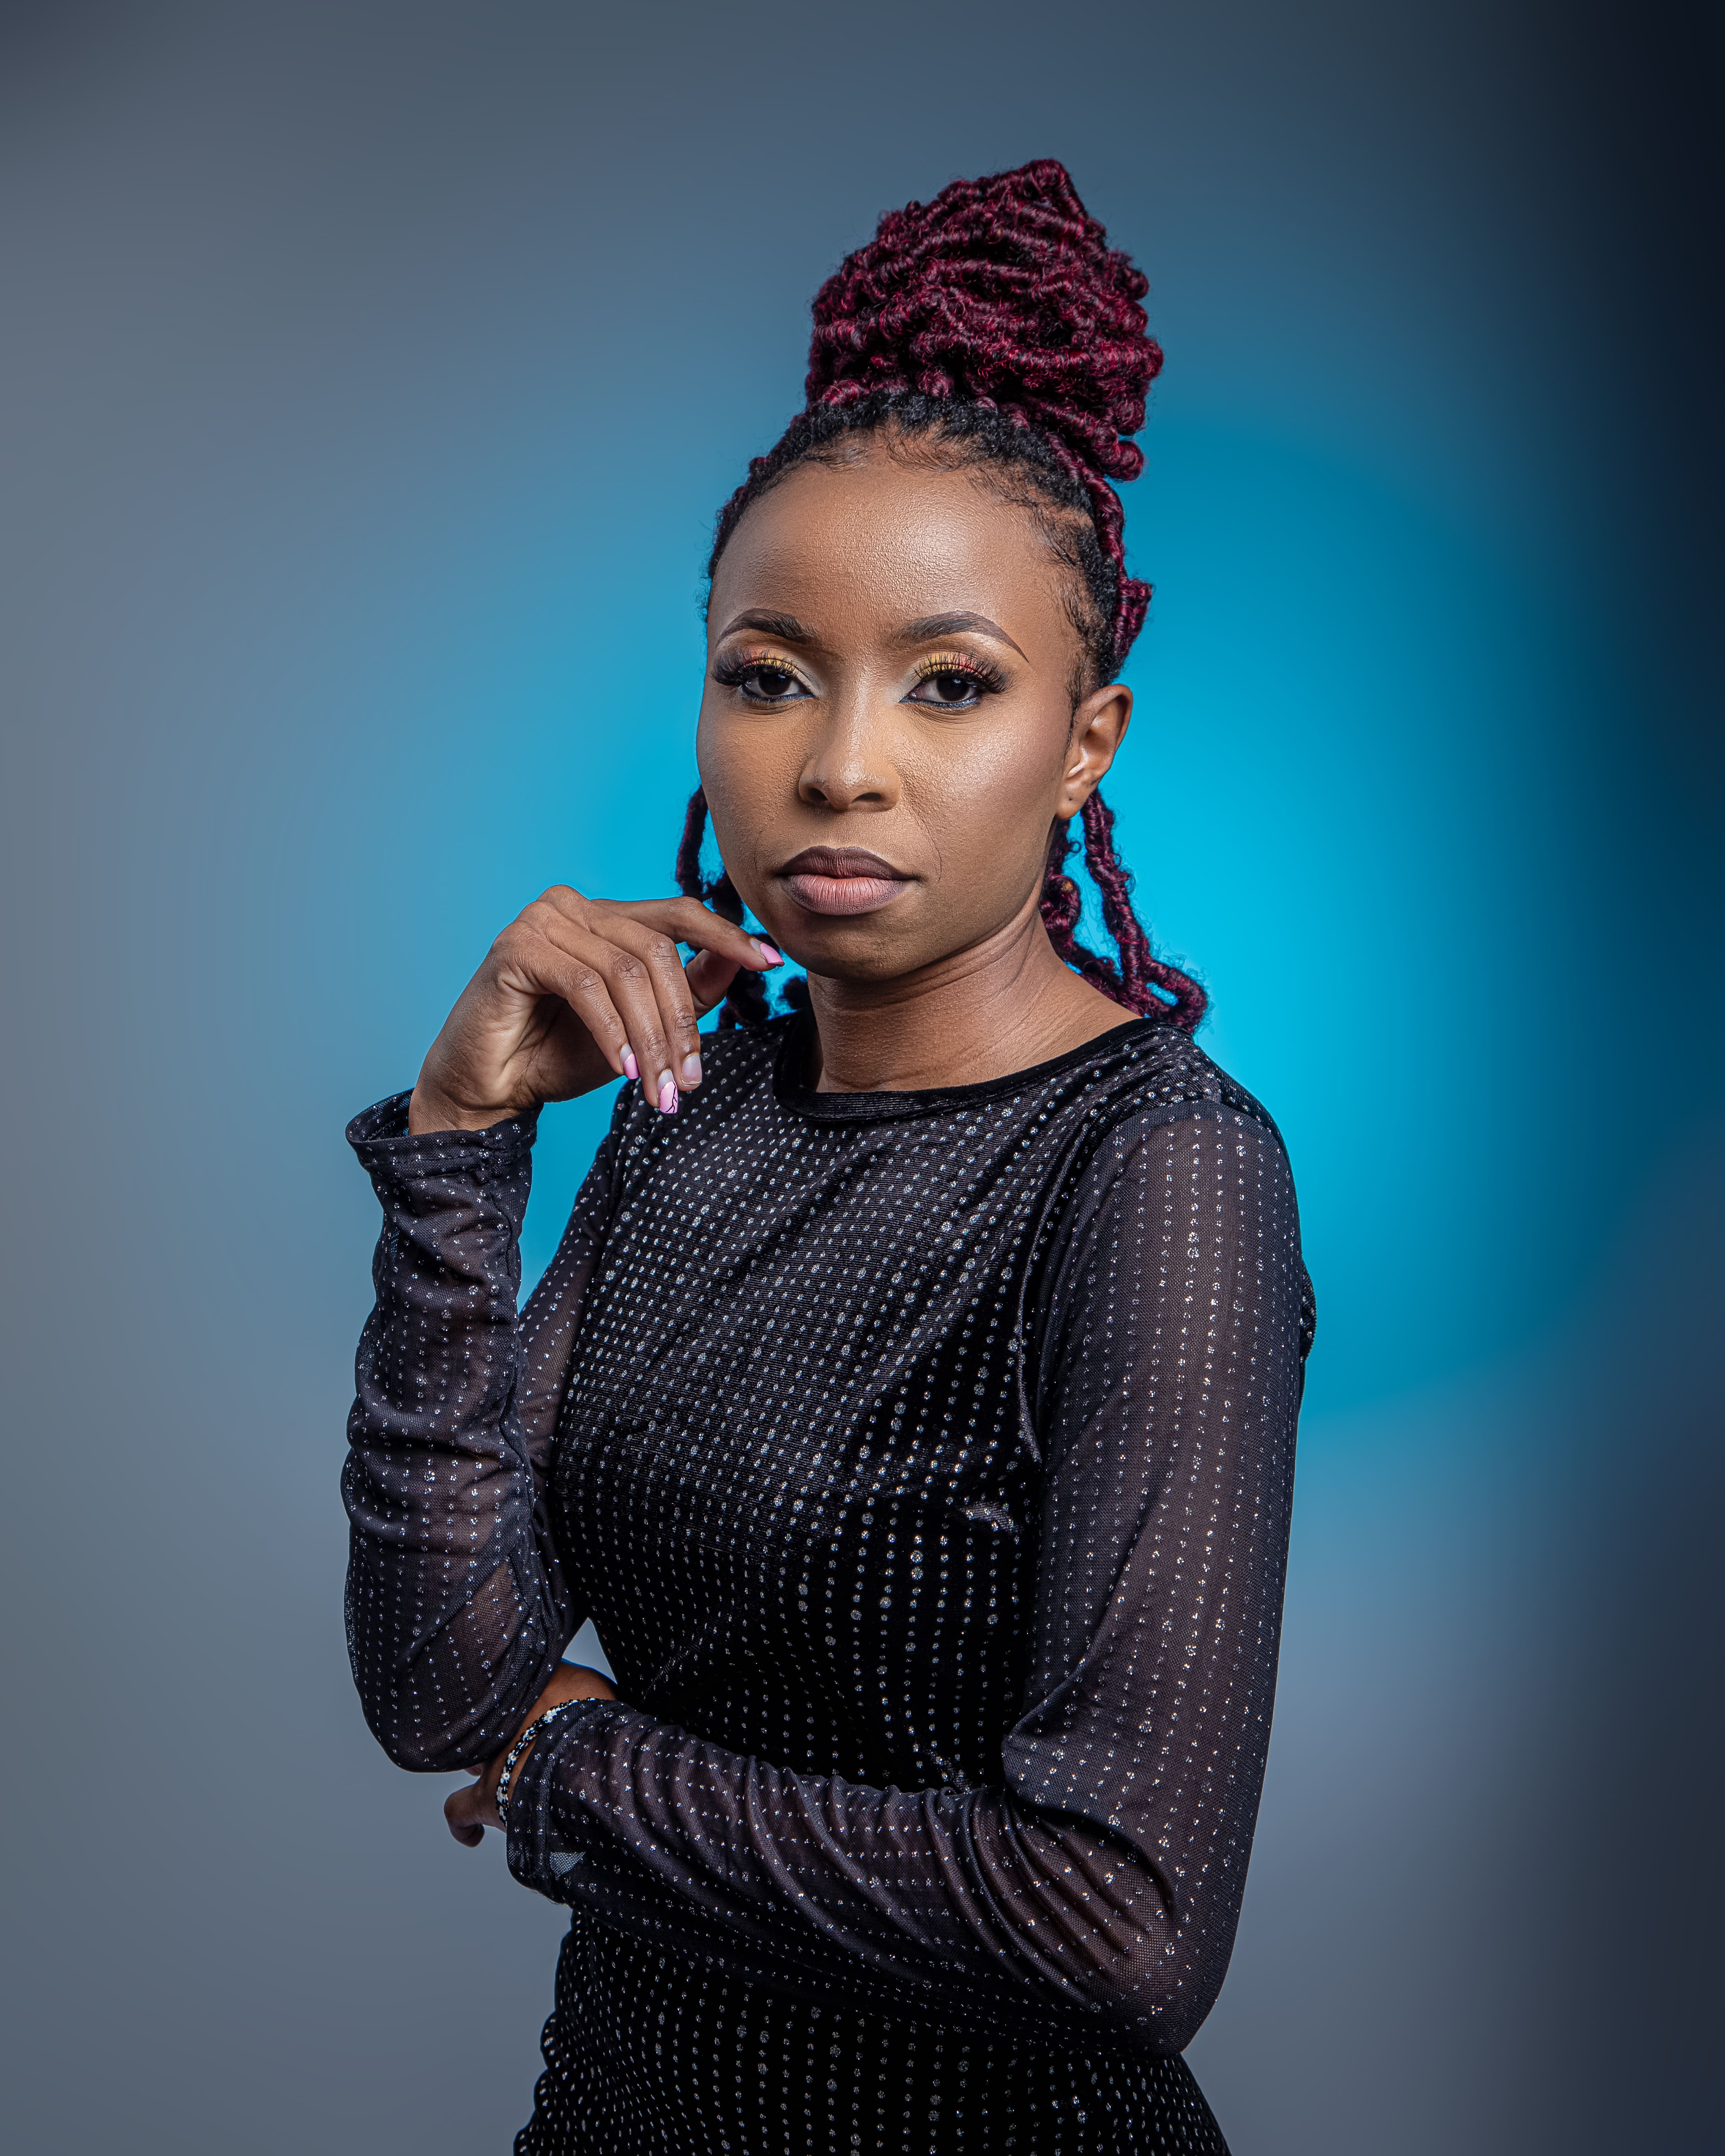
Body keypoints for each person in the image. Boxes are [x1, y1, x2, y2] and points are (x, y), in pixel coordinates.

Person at [343, 158, 1314, 2156]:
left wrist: (578, 1778)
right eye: (769, 674)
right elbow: (439, 1680)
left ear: (1086, 740)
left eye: (951, 685)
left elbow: (1119, 1926)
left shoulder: (1158, 1173)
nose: (840, 764)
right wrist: (461, 1152)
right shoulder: (697, 1109)